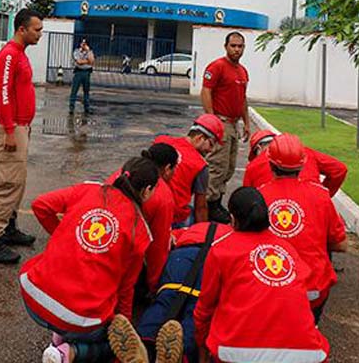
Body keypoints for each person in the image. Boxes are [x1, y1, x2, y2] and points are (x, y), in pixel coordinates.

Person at [21, 157, 184, 363]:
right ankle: (68, 353)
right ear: (147, 191)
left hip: (32, 298)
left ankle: (59, 334)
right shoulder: (139, 230)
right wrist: (125, 325)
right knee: (116, 344)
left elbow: (40, 205)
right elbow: (126, 290)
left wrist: (63, 235)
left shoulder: (88, 190)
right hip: (78, 318)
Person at [193, 187, 331, 363]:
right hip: (305, 354)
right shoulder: (287, 250)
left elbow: (205, 308)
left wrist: (202, 347)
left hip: (235, 352)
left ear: (233, 219)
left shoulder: (222, 250)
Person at [258, 134, 348, 324]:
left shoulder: (258, 197)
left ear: (269, 164)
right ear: (303, 164)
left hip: (268, 289)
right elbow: (341, 245)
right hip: (313, 292)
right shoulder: (321, 196)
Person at [0, 8, 43, 264]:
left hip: (21, 128)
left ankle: (8, 227)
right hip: (12, 129)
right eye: (36, 29)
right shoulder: (9, 55)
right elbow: (3, 94)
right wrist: (9, 130)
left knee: (17, 183)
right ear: (21, 29)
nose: (40, 34)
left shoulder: (21, 54)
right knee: (6, 184)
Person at [136, 222, 235, 363]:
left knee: (166, 298)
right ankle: (183, 352)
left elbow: (168, 239)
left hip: (182, 255)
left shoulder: (190, 229)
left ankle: (144, 340)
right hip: (214, 258)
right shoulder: (233, 234)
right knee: (195, 308)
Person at [105, 143, 179, 292]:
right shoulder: (163, 197)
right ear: (167, 168)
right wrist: (154, 287)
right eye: (174, 169)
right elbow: (157, 249)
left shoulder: (123, 173)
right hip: (121, 262)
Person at [200, 32, 250, 223]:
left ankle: (216, 202)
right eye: (233, 46)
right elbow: (206, 91)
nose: (237, 49)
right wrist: (212, 121)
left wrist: (246, 123)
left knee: (228, 168)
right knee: (216, 167)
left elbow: (243, 99)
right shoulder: (217, 66)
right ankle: (206, 206)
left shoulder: (243, 71)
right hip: (220, 122)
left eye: (240, 46)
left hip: (234, 124)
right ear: (226, 46)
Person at [154, 114, 224, 228]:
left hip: (149, 209)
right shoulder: (200, 166)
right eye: (211, 144)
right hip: (173, 217)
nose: (210, 150)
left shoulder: (161, 141)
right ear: (200, 138)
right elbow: (200, 208)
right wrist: (202, 236)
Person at [243, 132, 348, 196]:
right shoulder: (305, 152)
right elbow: (339, 170)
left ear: (258, 148)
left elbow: (246, 201)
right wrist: (322, 195)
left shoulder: (254, 166)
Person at [70, 38, 95, 115]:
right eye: (82, 43)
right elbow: (79, 62)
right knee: (74, 91)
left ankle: (86, 108)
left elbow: (92, 61)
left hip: (87, 73)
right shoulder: (77, 51)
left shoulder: (89, 52)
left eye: (85, 43)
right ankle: (71, 108)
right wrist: (87, 61)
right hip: (78, 72)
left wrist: (88, 51)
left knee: (86, 91)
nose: (83, 45)